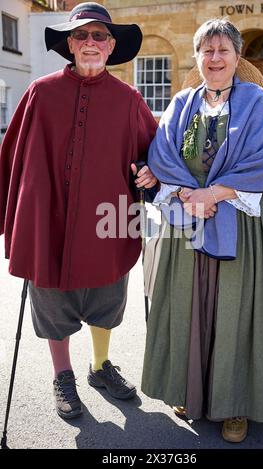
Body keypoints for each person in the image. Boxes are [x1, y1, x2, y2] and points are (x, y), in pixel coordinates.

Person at [0, 2, 157, 420]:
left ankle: (101, 366)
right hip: (47, 217)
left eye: (99, 36)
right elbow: (11, 155)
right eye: (82, 35)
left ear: (111, 47)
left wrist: (149, 173)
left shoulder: (129, 99)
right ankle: (63, 374)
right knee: (53, 302)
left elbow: (152, 153)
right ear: (70, 44)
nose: (90, 43)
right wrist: (10, 214)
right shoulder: (40, 92)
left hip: (107, 219)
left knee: (107, 296)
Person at [141, 18, 263, 443]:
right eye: (207, 50)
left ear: (237, 57)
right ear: (198, 57)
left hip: (244, 224)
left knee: (236, 312)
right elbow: (163, 153)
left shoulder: (258, 104)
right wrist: (190, 196)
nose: (215, 58)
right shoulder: (183, 103)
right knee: (191, 307)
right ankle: (192, 390)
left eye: (223, 50)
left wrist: (218, 193)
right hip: (191, 221)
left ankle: (235, 405)